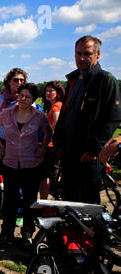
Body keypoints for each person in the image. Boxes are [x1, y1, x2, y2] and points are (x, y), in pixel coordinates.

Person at [53, 35, 121, 204]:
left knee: (88, 203)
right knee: (70, 200)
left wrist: (92, 150)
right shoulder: (73, 80)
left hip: (88, 156)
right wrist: (58, 141)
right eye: (78, 53)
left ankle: (92, 231)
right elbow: (65, 113)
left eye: (87, 53)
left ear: (98, 55)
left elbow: (112, 118)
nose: (82, 58)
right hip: (69, 153)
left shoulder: (105, 80)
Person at [0, 83, 52, 247]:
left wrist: (43, 147)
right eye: (21, 95)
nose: (23, 99)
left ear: (34, 99)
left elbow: (49, 131)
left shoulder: (39, 116)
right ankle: (7, 233)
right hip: (10, 163)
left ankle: (27, 234)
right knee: (10, 201)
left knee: (29, 201)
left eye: (27, 96)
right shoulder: (8, 113)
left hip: (31, 164)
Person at [0, 68, 28, 173]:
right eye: (16, 80)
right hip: (4, 141)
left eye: (22, 80)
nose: (19, 82)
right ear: (9, 81)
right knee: (3, 175)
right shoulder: (2, 97)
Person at [39, 81, 66, 199]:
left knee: (44, 176)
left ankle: (43, 203)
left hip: (50, 145)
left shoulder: (56, 106)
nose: (48, 93)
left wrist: (49, 134)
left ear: (58, 93)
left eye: (51, 91)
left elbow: (57, 120)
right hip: (53, 144)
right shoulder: (58, 104)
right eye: (47, 90)